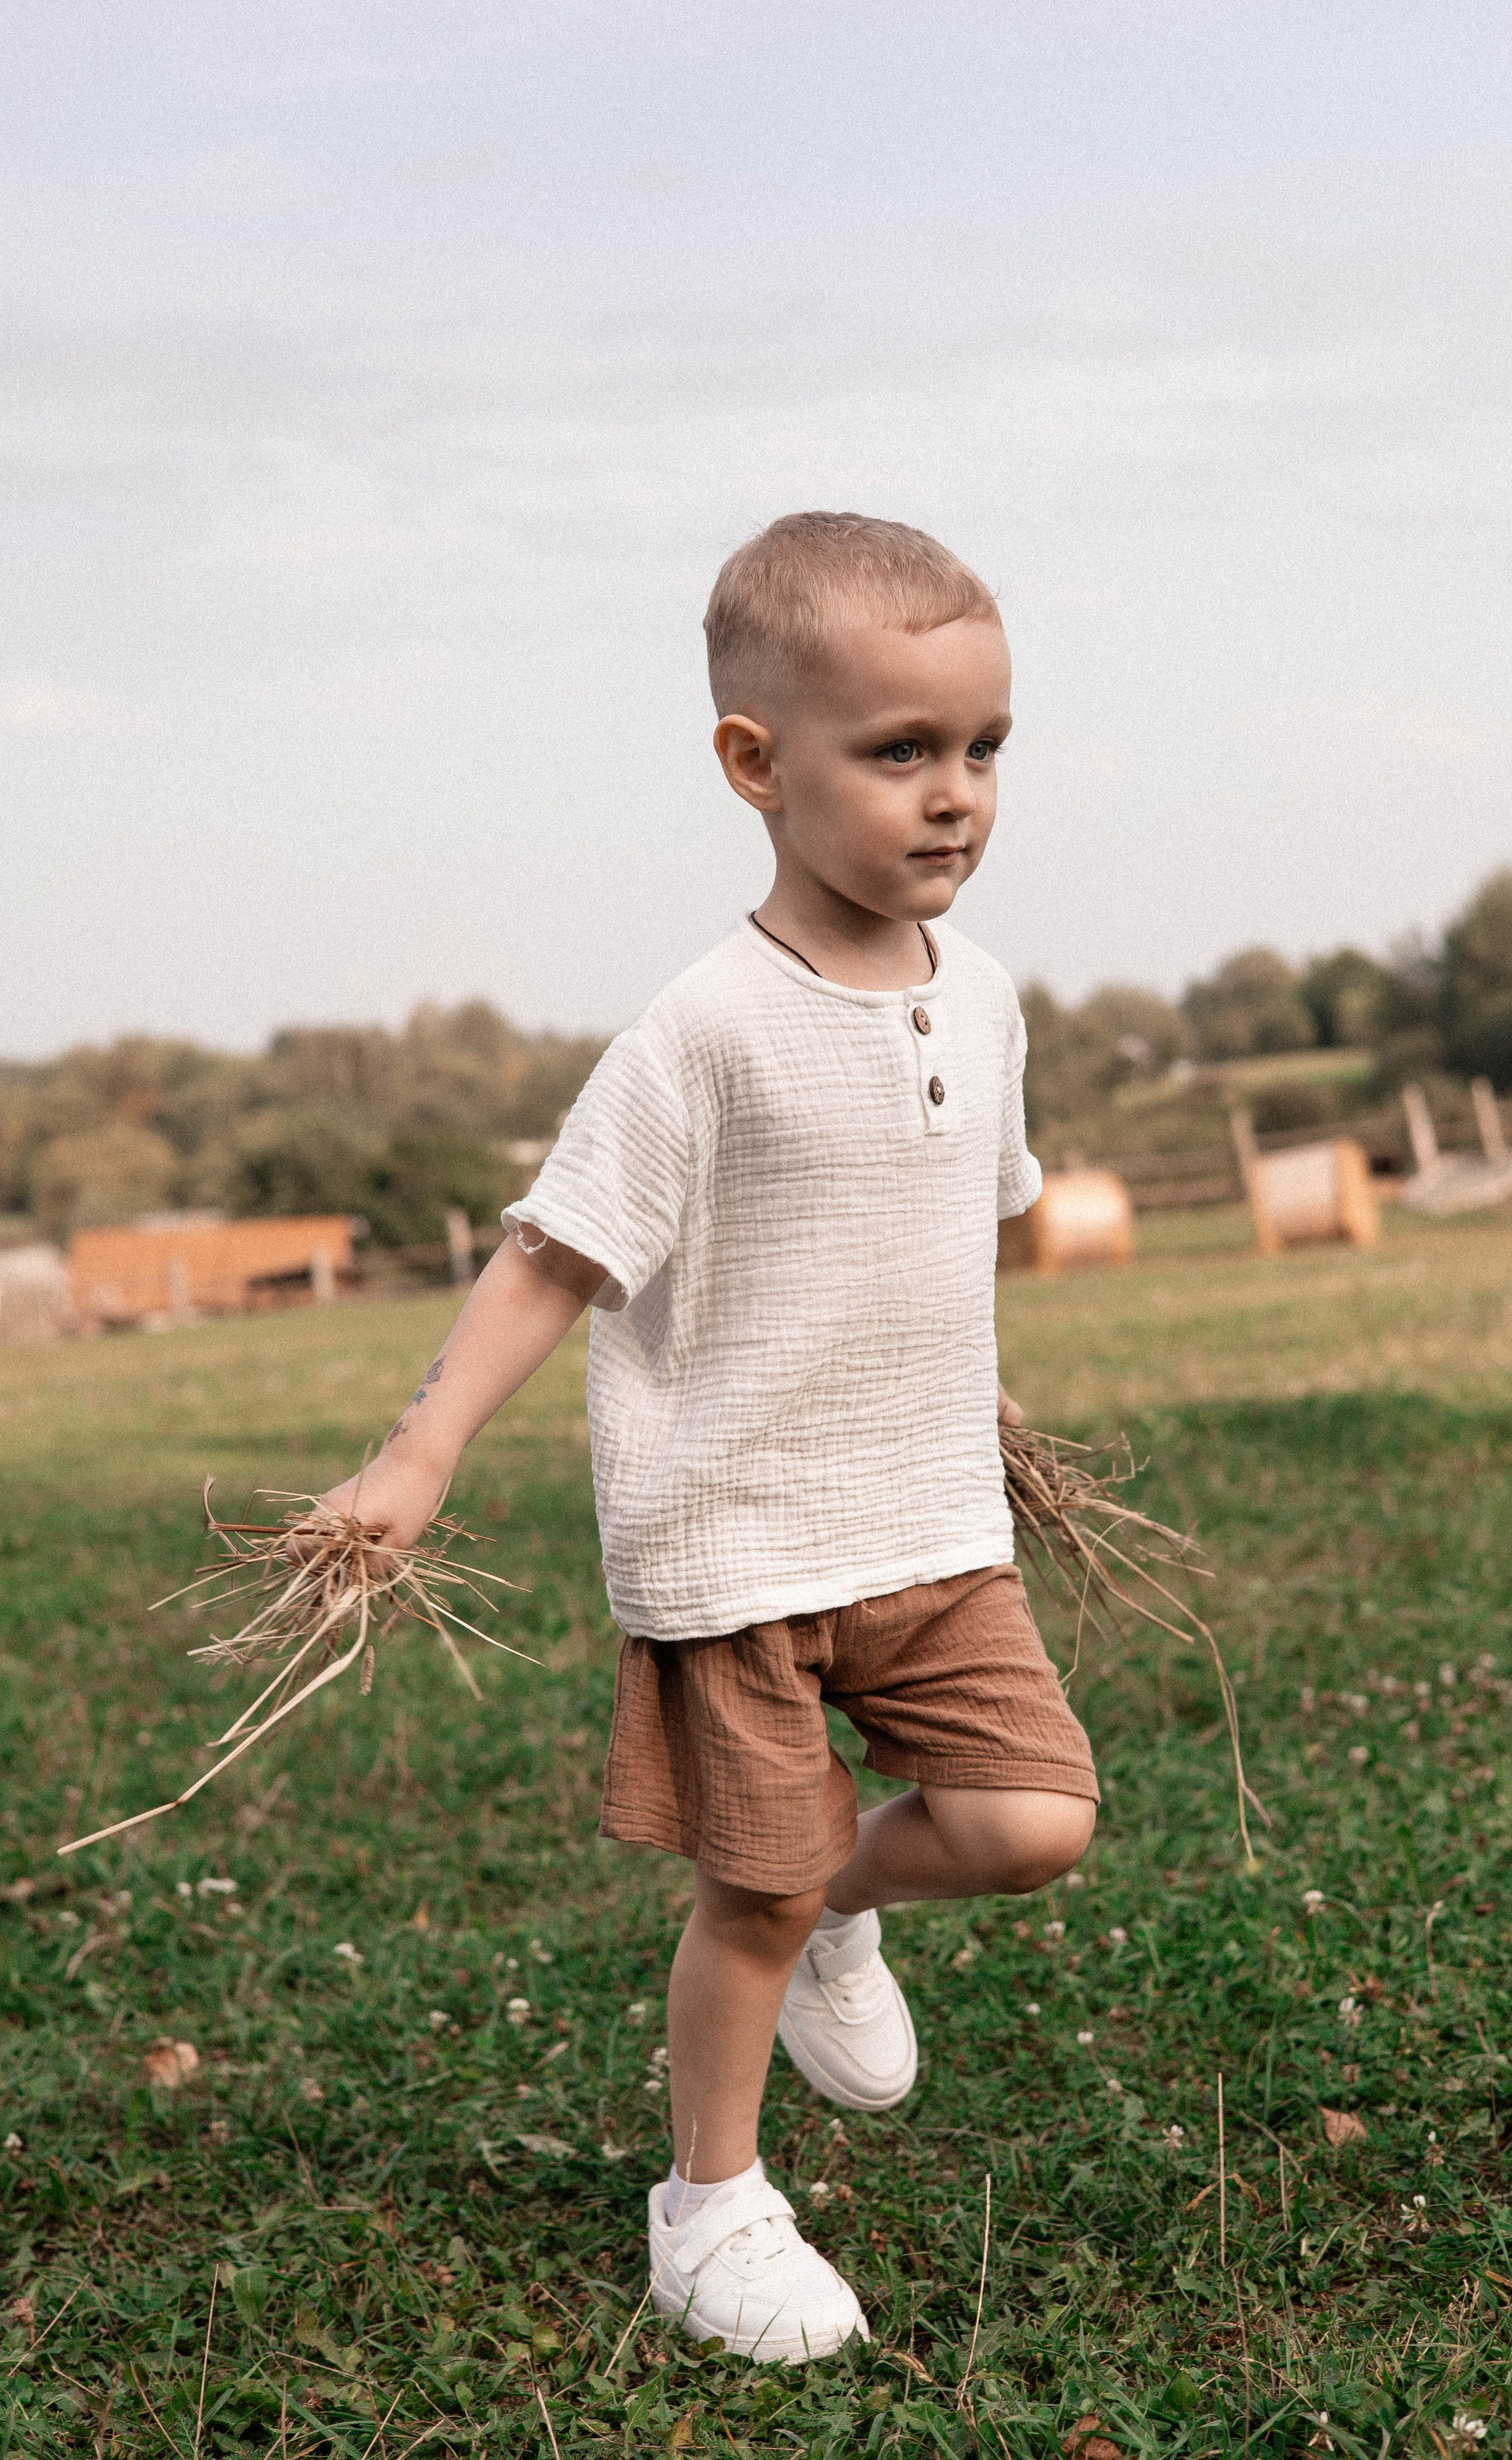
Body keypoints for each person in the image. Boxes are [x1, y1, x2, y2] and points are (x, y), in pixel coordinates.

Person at [320, 512, 1098, 2362]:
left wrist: (978, 1398)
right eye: (899, 750)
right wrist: (422, 1451)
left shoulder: (984, 1000)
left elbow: (936, 1232)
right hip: (740, 1543)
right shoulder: (704, 1031)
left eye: (984, 746)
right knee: (743, 1889)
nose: (956, 794)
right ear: (757, 762)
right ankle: (712, 2208)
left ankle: (844, 1902)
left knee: (1030, 1820)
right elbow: (552, 1257)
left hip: (929, 1521)